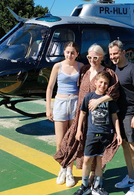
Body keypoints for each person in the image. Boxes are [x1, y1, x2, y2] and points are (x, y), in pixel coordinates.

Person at [54, 44, 120, 174]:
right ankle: (67, 170)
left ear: (101, 57)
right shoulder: (84, 70)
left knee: (99, 148)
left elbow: (114, 92)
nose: (92, 60)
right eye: (89, 57)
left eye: (95, 57)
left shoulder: (107, 73)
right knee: (75, 143)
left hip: (99, 119)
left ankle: (95, 176)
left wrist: (99, 101)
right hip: (83, 116)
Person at [73, 71, 122, 195]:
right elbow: (82, 113)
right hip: (92, 134)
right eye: (100, 82)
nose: (103, 85)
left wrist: (119, 134)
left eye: (106, 83)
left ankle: (97, 186)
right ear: (95, 83)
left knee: (101, 160)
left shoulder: (110, 100)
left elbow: (115, 117)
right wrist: (79, 130)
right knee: (87, 160)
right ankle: (85, 185)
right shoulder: (89, 97)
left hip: (106, 134)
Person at [109, 40, 134, 195]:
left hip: (131, 113)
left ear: (123, 52)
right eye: (111, 54)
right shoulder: (115, 70)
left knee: (133, 148)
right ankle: (130, 178)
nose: (113, 57)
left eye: (116, 53)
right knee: (124, 145)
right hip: (120, 112)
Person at [46, 41, 84, 187]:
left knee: (72, 140)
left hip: (74, 104)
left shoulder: (80, 66)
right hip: (60, 103)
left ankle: (70, 171)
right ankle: (62, 168)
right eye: (67, 52)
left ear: (77, 54)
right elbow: (50, 88)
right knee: (60, 142)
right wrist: (48, 108)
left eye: (73, 52)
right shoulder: (58, 66)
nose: (70, 55)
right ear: (64, 52)